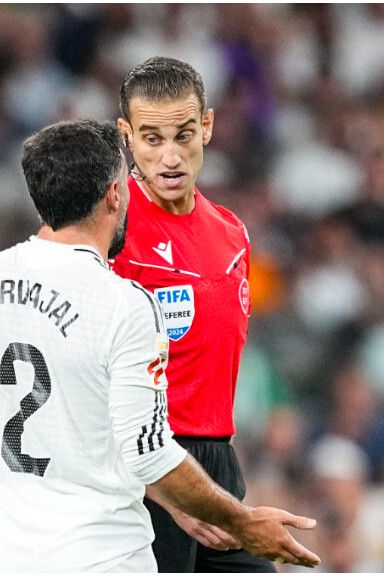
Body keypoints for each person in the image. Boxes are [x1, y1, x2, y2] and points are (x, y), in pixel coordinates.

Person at [0, 120, 321, 572]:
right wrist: (242, 522)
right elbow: (148, 453)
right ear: (114, 194)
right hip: (103, 560)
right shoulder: (123, 305)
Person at [111, 56, 276, 572]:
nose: (170, 156)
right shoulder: (110, 232)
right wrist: (160, 487)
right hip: (143, 471)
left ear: (206, 126)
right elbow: (83, 377)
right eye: (152, 138)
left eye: (183, 135)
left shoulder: (231, 233)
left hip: (216, 462)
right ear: (127, 137)